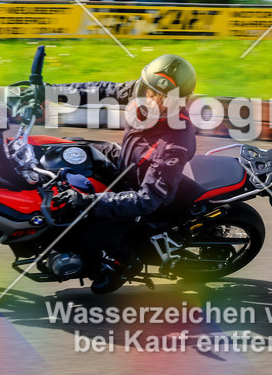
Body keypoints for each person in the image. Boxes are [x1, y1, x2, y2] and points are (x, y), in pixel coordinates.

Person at [43, 54, 197, 293]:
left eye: (164, 98)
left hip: (143, 191)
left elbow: (147, 200)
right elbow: (101, 90)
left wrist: (86, 202)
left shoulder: (174, 144)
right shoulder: (142, 90)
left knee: (89, 238)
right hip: (126, 160)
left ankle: (124, 263)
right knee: (69, 148)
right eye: (151, 92)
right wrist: (50, 92)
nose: (153, 100)